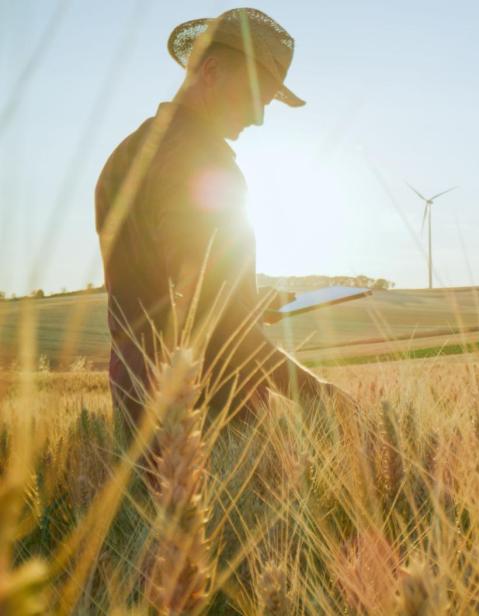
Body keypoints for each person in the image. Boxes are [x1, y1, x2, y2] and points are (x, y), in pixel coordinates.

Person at [94, 7, 356, 446]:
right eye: (258, 98)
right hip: (208, 419)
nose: (259, 119)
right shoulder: (201, 164)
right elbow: (214, 325)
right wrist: (318, 394)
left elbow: (166, 286)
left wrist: (248, 301)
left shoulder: (127, 155)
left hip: (137, 405)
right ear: (213, 71)